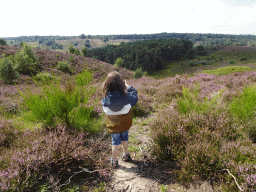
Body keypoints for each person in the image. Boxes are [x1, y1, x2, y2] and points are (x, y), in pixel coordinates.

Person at [102, 71, 138, 168]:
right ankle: (126, 155)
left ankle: (114, 161)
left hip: (113, 124)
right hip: (125, 122)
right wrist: (128, 86)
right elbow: (135, 98)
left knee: (115, 142)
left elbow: (104, 108)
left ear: (107, 84)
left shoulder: (105, 97)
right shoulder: (126, 96)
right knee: (125, 138)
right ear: (121, 83)